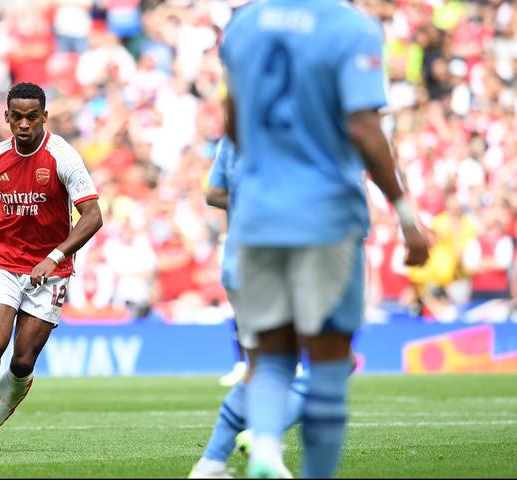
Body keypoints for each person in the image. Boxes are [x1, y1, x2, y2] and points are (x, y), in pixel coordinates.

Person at [221, 2, 430, 478]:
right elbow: (362, 125)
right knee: (330, 361)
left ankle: (267, 446)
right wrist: (405, 213)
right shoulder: (350, 27)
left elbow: (233, 121)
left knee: (271, 355)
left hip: (257, 212)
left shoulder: (245, 23)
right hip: (324, 213)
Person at [0, 82, 103, 453]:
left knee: (21, 361)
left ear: (44, 117)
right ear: (7, 117)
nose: (24, 124)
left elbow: (93, 216)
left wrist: (55, 257)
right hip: (4, 262)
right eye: (16, 117)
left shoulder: (63, 156)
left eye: (32, 117)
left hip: (50, 271)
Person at [189, 135, 306, 479]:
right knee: (324, 362)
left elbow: (213, 192)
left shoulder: (236, 134)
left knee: (260, 366)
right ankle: (264, 437)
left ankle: (211, 462)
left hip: (238, 265)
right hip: (276, 264)